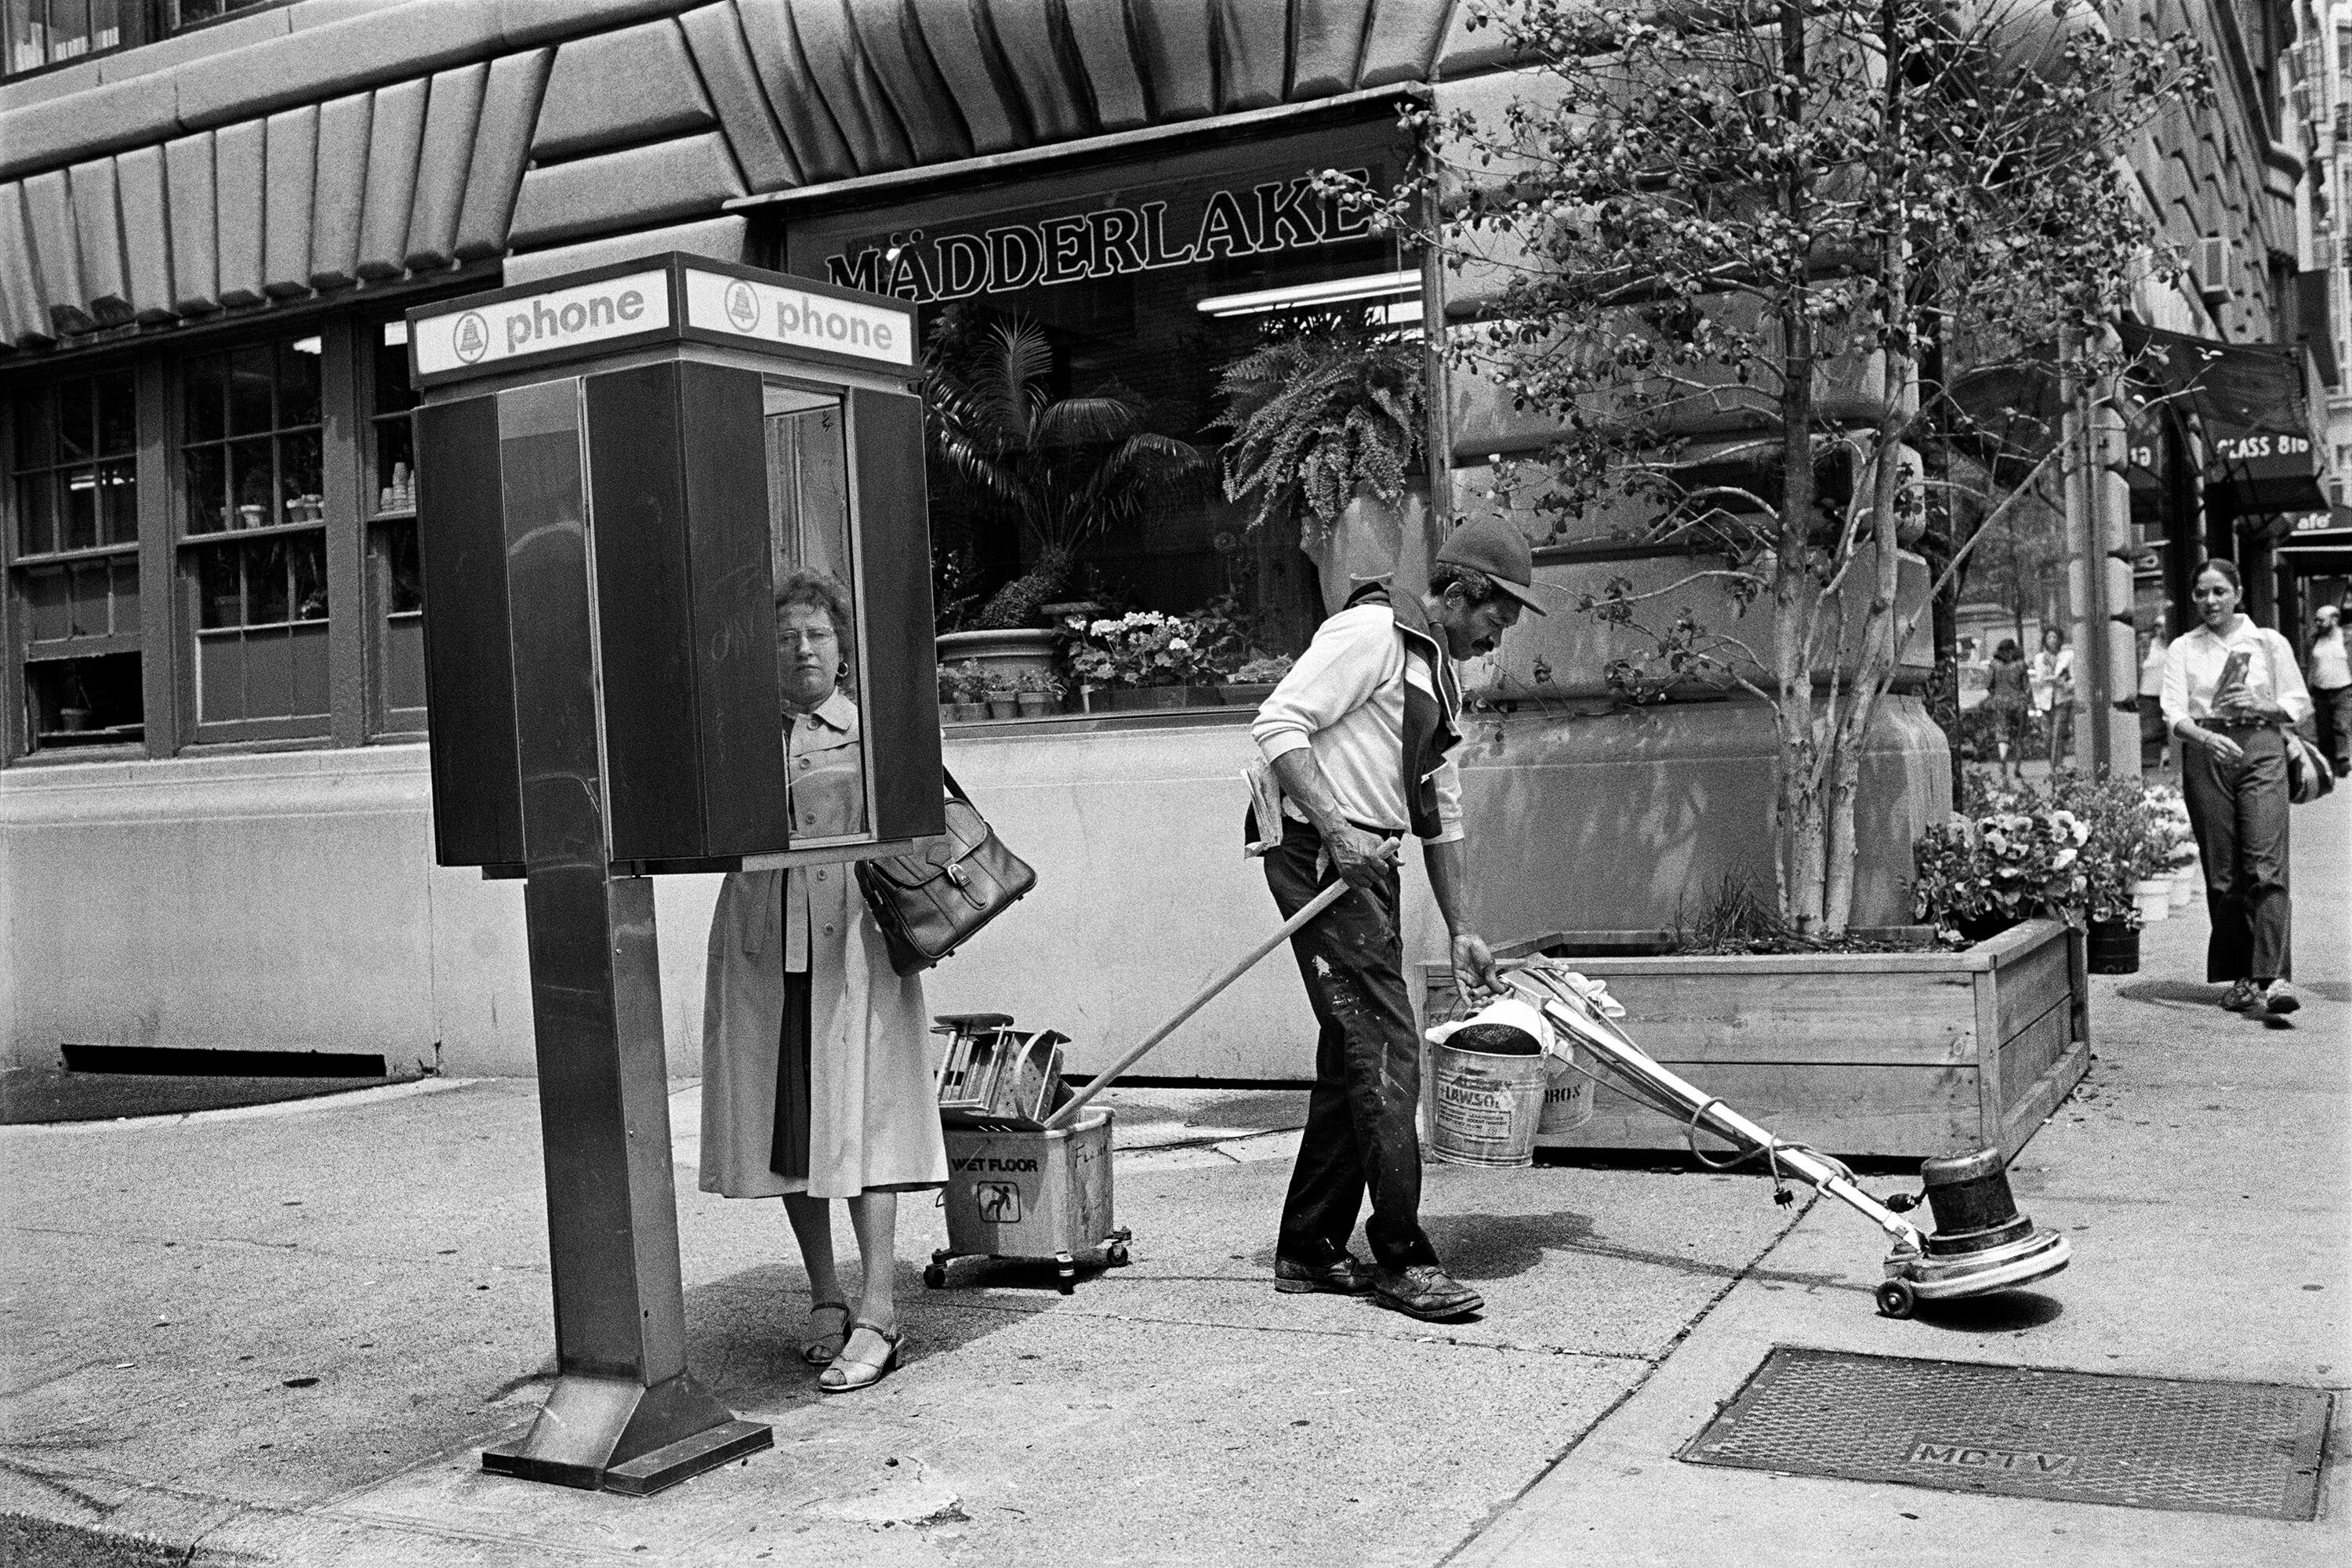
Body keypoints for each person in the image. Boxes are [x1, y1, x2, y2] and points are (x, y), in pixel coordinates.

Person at [1247, 516, 1539, 1323]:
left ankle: (1309, 1245)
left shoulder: (1434, 669)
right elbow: (1277, 724)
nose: (1497, 634)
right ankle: (1402, 1255)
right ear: (1459, 593)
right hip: (1319, 855)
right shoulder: (1372, 632)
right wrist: (1339, 835)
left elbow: (1440, 810)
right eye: (1495, 615)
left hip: (1367, 862)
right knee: (1386, 1046)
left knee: (1354, 1051)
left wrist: (1463, 927)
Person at [699, 569, 946, 1392]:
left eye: (817, 634)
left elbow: (927, 833)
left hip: (857, 944)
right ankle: (825, 1294)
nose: (803, 649)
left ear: (844, 647)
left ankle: (880, 1309)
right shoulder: (736, 734)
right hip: (769, 942)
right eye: (784, 637)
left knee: (867, 1117)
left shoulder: (873, 729)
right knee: (792, 1124)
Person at [2160, 560, 2314, 1017]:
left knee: (2266, 865)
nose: (2211, 601)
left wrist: (2262, 705)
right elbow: (2174, 711)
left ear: (2239, 593)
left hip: (2261, 747)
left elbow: (2299, 704)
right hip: (2208, 752)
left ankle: (2274, 976)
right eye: (2202, 593)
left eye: (2220, 592)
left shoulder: (2268, 642)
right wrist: (2206, 737)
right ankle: (2244, 977)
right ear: (2193, 598)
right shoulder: (2183, 648)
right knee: (2223, 873)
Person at [2307, 603, 2350, 777]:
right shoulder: (2313, 640)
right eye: (2316, 619)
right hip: (2320, 692)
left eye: (2321, 620)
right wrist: (2308, 688)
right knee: (2323, 729)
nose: (2317, 623)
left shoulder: (2347, 639)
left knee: (2341, 726)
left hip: (2343, 690)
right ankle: (2327, 763)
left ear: (2335, 619)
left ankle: (2342, 762)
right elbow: (2310, 665)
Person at [2029, 626, 2074, 773]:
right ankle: (2056, 763)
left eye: (2055, 637)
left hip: (2061, 699)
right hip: (2045, 700)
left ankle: (2056, 767)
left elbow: (2074, 679)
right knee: (2047, 736)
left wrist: (2064, 683)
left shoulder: (2068, 656)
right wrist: (2045, 680)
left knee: (2057, 734)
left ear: (2060, 640)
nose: (2052, 640)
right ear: (2045, 640)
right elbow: (2036, 680)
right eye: (2049, 637)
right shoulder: (2039, 658)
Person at [1984, 638, 2031, 782]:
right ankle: (2017, 768)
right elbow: (2027, 687)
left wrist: (1996, 695)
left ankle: (2003, 760)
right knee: (2019, 736)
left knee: (2003, 734)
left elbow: (1987, 684)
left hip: (2001, 703)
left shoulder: (1994, 665)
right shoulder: (2021, 665)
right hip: (2019, 703)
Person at [2137, 626, 2171, 773]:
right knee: (2149, 732)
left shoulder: (2176, 644)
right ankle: (2149, 767)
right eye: (2158, 626)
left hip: (2170, 694)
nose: (2162, 629)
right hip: (2149, 694)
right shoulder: (2148, 644)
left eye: (2164, 625)